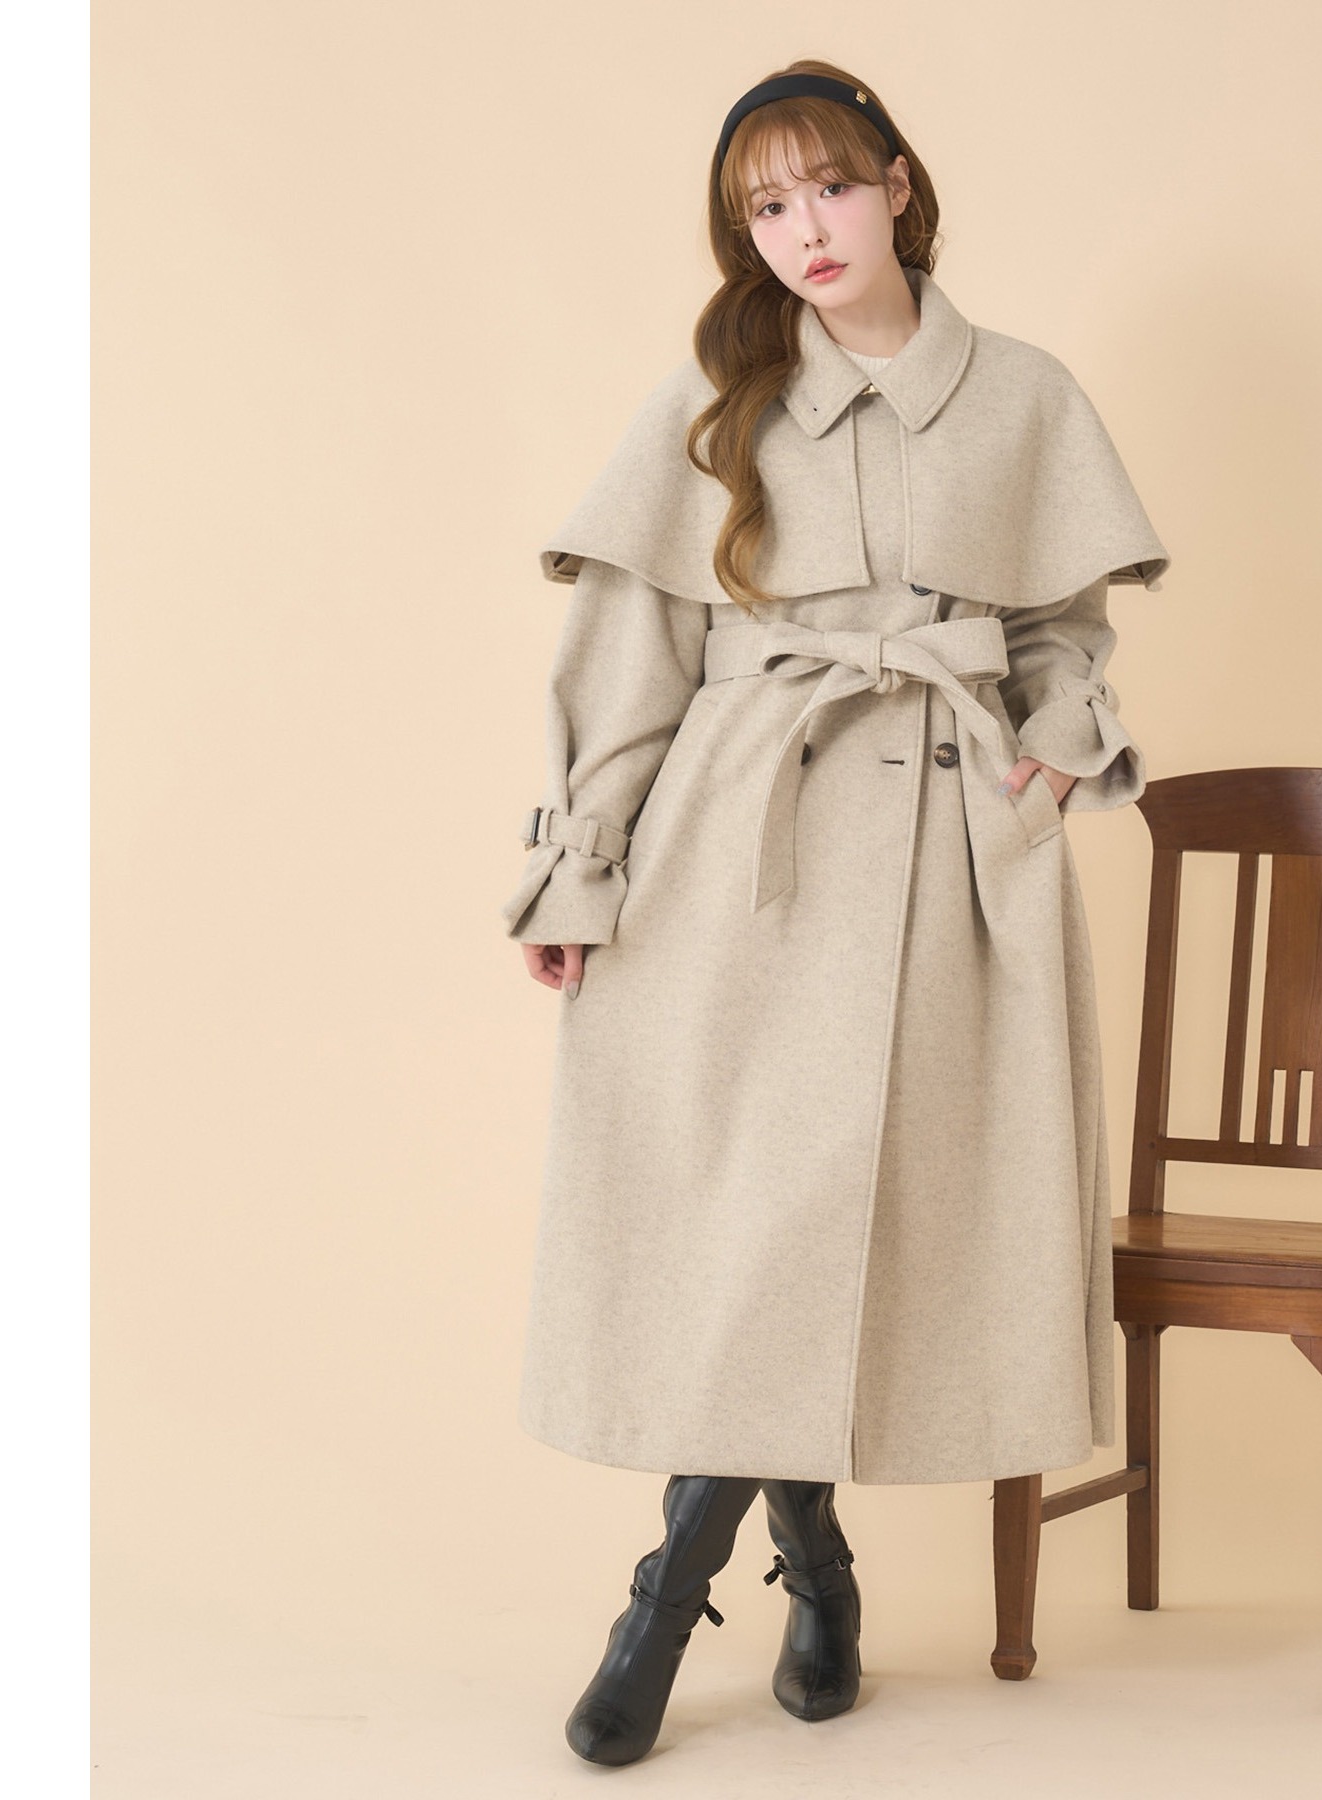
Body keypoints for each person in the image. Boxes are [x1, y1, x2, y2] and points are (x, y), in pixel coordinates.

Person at [502, 59, 1171, 1766]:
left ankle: (694, 1599)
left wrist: (1044, 767)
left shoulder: (1022, 396)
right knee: (749, 1231)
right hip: (737, 854)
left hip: (949, 860)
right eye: (765, 206)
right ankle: (763, 1583)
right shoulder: (717, 399)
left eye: (828, 187)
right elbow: (635, 653)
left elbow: (1063, 636)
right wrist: (581, 866)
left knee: (845, 1227)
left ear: (897, 185)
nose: (803, 229)